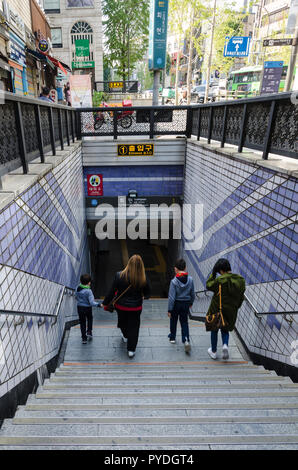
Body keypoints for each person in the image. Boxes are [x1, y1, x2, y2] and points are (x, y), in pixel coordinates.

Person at [102, 255, 151, 358]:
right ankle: (131, 350)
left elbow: (111, 292)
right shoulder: (143, 277)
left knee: (122, 322)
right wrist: (143, 297)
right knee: (134, 327)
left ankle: (125, 335)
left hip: (121, 307)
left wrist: (105, 303)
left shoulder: (119, 275)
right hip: (136, 307)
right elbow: (148, 293)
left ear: (129, 263)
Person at [206, 258, 245, 360]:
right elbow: (241, 297)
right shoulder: (240, 281)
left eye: (219, 271)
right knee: (225, 330)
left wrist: (213, 274)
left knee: (214, 330)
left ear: (221, 271)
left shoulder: (220, 280)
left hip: (217, 309)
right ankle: (225, 346)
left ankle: (213, 352)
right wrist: (236, 307)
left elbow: (209, 285)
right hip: (231, 311)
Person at [167, 259, 195, 354]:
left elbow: (171, 297)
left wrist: (170, 309)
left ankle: (172, 338)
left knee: (173, 320)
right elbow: (193, 293)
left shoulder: (174, 281)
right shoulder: (190, 280)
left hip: (176, 304)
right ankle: (186, 339)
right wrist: (191, 302)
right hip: (186, 303)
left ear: (175, 269)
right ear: (185, 268)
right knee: (184, 322)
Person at [75, 274, 101, 344]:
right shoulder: (88, 291)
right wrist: (98, 304)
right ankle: (89, 331)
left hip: (80, 307)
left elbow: (76, 297)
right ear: (89, 282)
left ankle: (84, 338)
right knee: (89, 318)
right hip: (87, 308)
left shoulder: (77, 287)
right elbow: (92, 302)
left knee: (82, 322)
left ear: (80, 281)